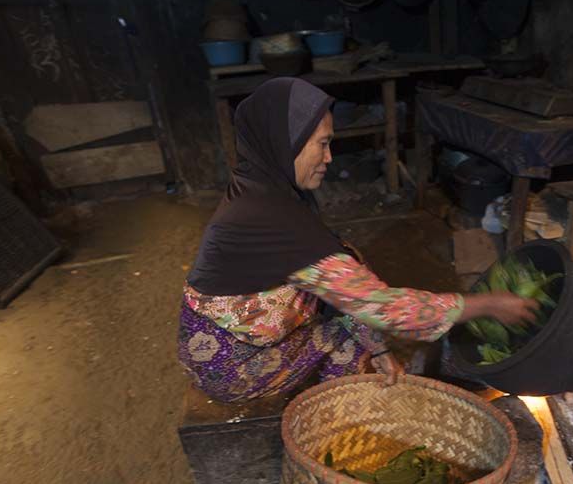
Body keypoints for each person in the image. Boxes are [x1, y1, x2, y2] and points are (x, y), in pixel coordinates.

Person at [177, 77, 536, 402]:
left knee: (347, 266)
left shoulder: (263, 185)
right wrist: (487, 305)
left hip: (240, 337)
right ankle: (337, 422)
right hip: (228, 362)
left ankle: (338, 396)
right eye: (322, 145)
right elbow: (382, 307)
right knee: (349, 338)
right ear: (287, 143)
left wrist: (379, 349)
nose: (329, 158)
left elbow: (347, 287)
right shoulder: (267, 216)